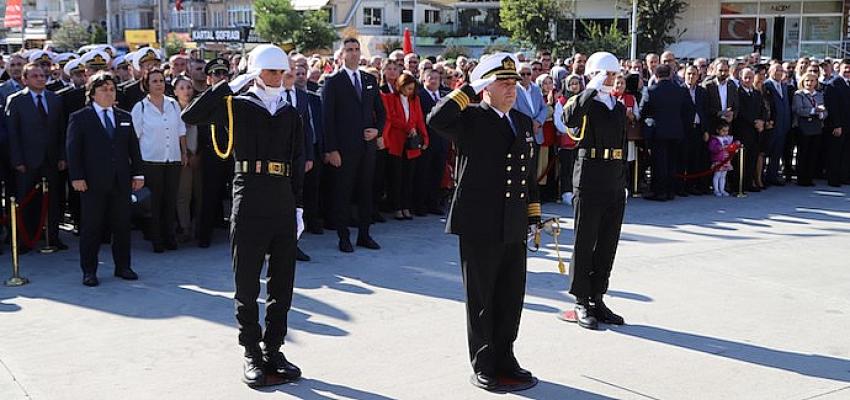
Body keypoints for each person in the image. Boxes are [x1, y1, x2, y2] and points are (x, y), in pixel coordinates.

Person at [182, 44, 305, 387]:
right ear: (255, 72)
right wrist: (231, 84)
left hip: (281, 196)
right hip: (249, 193)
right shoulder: (236, 105)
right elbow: (190, 115)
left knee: (283, 281)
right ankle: (251, 349)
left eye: (282, 72)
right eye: (270, 71)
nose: (278, 78)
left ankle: (274, 348)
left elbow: (298, 159)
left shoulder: (289, 111)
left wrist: (299, 206)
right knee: (247, 280)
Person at [427, 52, 540, 391]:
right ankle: (484, 360)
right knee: (481, 297)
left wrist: (532, 214)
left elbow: (528, 174)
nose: (511, 89)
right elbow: (436, 118)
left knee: (510, 295)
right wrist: (467, 89)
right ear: (485, 87)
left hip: (513, 221)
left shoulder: (520, 121)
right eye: (503, 83)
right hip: (479, 221)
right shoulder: (471, 118)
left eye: (514, 83)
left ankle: (506, 355)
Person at [561, 52, 627, 330]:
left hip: (613, 176)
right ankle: (580, 299)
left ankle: (598, 296)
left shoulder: (618, 105)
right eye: (606, 74)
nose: (611, 79)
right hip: (589, 174)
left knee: (608, 240)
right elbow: (569, 117)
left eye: (614, 74)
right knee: (585, 239)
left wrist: (623, 181)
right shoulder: (584, 102)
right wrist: (590, 88)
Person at [66, 72, 145, 286]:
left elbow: (133, 149)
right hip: (92, 182)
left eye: (112, 89)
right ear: (92, 94)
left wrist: (138, 174)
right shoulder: (80, 117)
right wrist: (77, 177)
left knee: (121, 225)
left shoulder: (124, 117)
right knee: (92, 227)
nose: (109, 93)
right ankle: (89, 270)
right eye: (103, 89)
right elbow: (73, 151)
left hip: (120, 181)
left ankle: (123, 266)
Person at [322, 37, 386, 253]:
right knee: (343, 193)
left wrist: (378, 130)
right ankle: (343, 237)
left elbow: (382, 112)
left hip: (367, 149)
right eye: (349, 50)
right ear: (341, 54)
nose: (353, 53)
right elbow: (326, 119)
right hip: (344, 149)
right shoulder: (333, 82)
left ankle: (365, 235)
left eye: (357, 49)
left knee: (366, 192)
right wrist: (331, 149)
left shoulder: (369, 79)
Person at [5, 62, 67, 253]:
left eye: (42, 76)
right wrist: (17, 160)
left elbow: (62, 131)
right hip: (27, 161)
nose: (41, 79)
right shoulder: (15, 100)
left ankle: (53, 238)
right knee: (27, 201)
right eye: (35, 76)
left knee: (53, 201)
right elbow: (12, 134)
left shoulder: (54, 99)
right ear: (25, 80)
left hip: (51, 160)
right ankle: (26, 240)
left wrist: (62, 156)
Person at [131, 68, 187, 253]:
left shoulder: (173, 104)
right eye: (154, 81)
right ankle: (156, 239)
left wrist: (184, 153)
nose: (159, 84)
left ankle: (170, 236)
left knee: (170, 200)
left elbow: (181, 131)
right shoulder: (141, 107)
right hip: (150, 160)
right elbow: (134, 137)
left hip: (173, 159)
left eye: (161, 80)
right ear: (147, 84)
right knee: (155, 202)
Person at [194, 58, 233, 248]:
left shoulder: (234, 97)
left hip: (233, 153)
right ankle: (204, 236)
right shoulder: (203, 99)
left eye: (224, 74)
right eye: (216, 74)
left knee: (237, 197)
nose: (221, 77)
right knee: (209, 195)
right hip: (211, 153)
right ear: (208, 79)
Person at [381, 73, 429, 220]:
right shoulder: (391, 98)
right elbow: (391, 117)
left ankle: (406, 206)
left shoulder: (415, 100)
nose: (410, 92)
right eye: (408, 89)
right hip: (396, 142)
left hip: (411, 144)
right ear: (400, 87)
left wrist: (425, 137)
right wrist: (407, 127)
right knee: (396, 177)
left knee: (408, 177)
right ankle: (397, 207)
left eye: (412, 89)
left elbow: (420, 119)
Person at [641, 64, 690, 201]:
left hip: (658, 131)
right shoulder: (680, 90)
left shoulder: (651, 91)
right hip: (676, 131)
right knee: (672, 162)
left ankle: (659, 191)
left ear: (656, 76)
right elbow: (688, 111)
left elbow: (644, 111)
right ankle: (670, 191)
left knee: (659, 162)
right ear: (670, 75)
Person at [415, 68, 450, 215]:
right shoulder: (419, 96)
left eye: (436, 77)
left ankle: (433, 203)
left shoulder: (444, 96)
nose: (434, 80)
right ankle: (420, 204)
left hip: (442, 140)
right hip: (426, 140)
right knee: (424, 173)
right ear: (424, 79)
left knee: (437, 173)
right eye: (430, 77)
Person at [173, 76, 201, 244]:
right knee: (183, 195)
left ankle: (198, 227)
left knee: (199, 194)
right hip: (182, 158)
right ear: (175, 91)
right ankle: (185, 227)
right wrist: (186, 154)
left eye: (189, 87)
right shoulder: (172, 110)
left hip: (199, 157)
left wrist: (198, 154)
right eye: (182, 88)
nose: (186, 91)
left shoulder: (198, 108)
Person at [732, 68, 765, 192]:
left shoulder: (757, 93)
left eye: (750, 77)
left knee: (752, 158)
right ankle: (739, 185)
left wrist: (762, 121)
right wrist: (754, 122)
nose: (748, 80)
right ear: (740, 78)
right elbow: (740, 111)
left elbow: (762, 109)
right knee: (741, 160)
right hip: (743, 130)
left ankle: (749, 183)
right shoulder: (737, 92)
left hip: (756, 131)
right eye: (745, 77)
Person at [792, 72, 827, 187]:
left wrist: (822, 114)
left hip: (816, 127)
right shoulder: (799, 94)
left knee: (813, 153)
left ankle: (809, 177)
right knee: (803, 152)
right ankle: (801, 178)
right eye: (807, 81)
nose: (809, 83)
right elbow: (798, 110)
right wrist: (814, 111)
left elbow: (825, 110)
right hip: (804, 127)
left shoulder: (819, 95)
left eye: (812, 81)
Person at [553, 74, 583, 205]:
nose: (574, 86)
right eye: (572, 84)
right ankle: (566, 192)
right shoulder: (562, 101)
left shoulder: (583, 99)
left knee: (579, 167)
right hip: (567, 139)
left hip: (581, 138)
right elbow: (558, 121)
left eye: (577, 83)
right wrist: (570, 131)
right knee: (567, 167)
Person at [763, 64, 792, 187]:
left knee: (777, 152)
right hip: (771, 125)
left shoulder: (784, 86)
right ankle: (761, 176)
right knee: (765, 152)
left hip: (783, 125)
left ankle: (772, 176)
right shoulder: (766, 85)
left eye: (781, 70)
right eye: (776, 70)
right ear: (770, 71)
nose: (779, 72)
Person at [683, 65, 710, 194]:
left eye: (693, 74)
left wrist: (705, 130)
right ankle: (683, 186)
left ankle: (693, 186)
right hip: (685, 130)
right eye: (688, 74)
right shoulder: (680, 90)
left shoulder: (702, 92)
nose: (691, 76)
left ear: (698, 76)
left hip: (698, 129)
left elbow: (705, 112)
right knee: (684, 158)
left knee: (696, 158)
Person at [823, 59, 850, 187]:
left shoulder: (848, 83)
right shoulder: (834, 84)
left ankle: (844, 176)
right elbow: (832, 107)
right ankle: (833, 179)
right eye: (846, 68)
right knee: (835, 153)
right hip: (838, 125)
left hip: (848, 125)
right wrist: (836, 125)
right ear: (839, 68)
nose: (848, 71)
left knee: (846, 153)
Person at [708, 122, 737, 196]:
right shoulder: (715, 139)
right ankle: (716, 190)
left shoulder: (728, 138)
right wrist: (720, 148)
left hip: (726, 160)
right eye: (723, 131)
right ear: (718, 130)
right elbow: (712, 148)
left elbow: (732, 146)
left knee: (723, 176)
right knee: (717, 175)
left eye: (726, 131)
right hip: (718, 160)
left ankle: (722, 189)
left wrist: (736, 144)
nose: (725, 133)